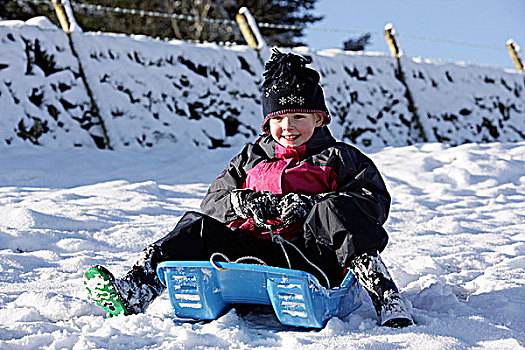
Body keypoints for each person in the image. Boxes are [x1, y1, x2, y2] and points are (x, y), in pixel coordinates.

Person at [84, 49, 414, 328]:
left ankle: (384, 295)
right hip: (254, 255)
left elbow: (371, 203)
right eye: (279, 119)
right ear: (266, 123)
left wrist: (313, 207)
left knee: (335, 210)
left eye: (300, 116)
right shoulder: (250, 158)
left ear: (320, 119)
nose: (289, 127)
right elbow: (213, 201)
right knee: (196, 226)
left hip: (313, 259)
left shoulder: (341, 157)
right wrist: (243, 205)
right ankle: (138, 287)